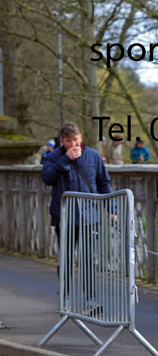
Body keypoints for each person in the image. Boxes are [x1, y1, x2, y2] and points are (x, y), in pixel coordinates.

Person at [41, 121, 113, 315]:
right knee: (65, 259)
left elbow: (103, 183)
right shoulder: (53, 157)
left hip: (89, 217)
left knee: (88, 259)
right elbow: (47, 178)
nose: (73, 144)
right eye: (68, 141)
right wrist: (65, 160)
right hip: (64, 217)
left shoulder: (93, 156)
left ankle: (90, 300)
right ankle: (64, 298)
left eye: (76, 139)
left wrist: (111, 209)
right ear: (61, 141)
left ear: (81, 138)